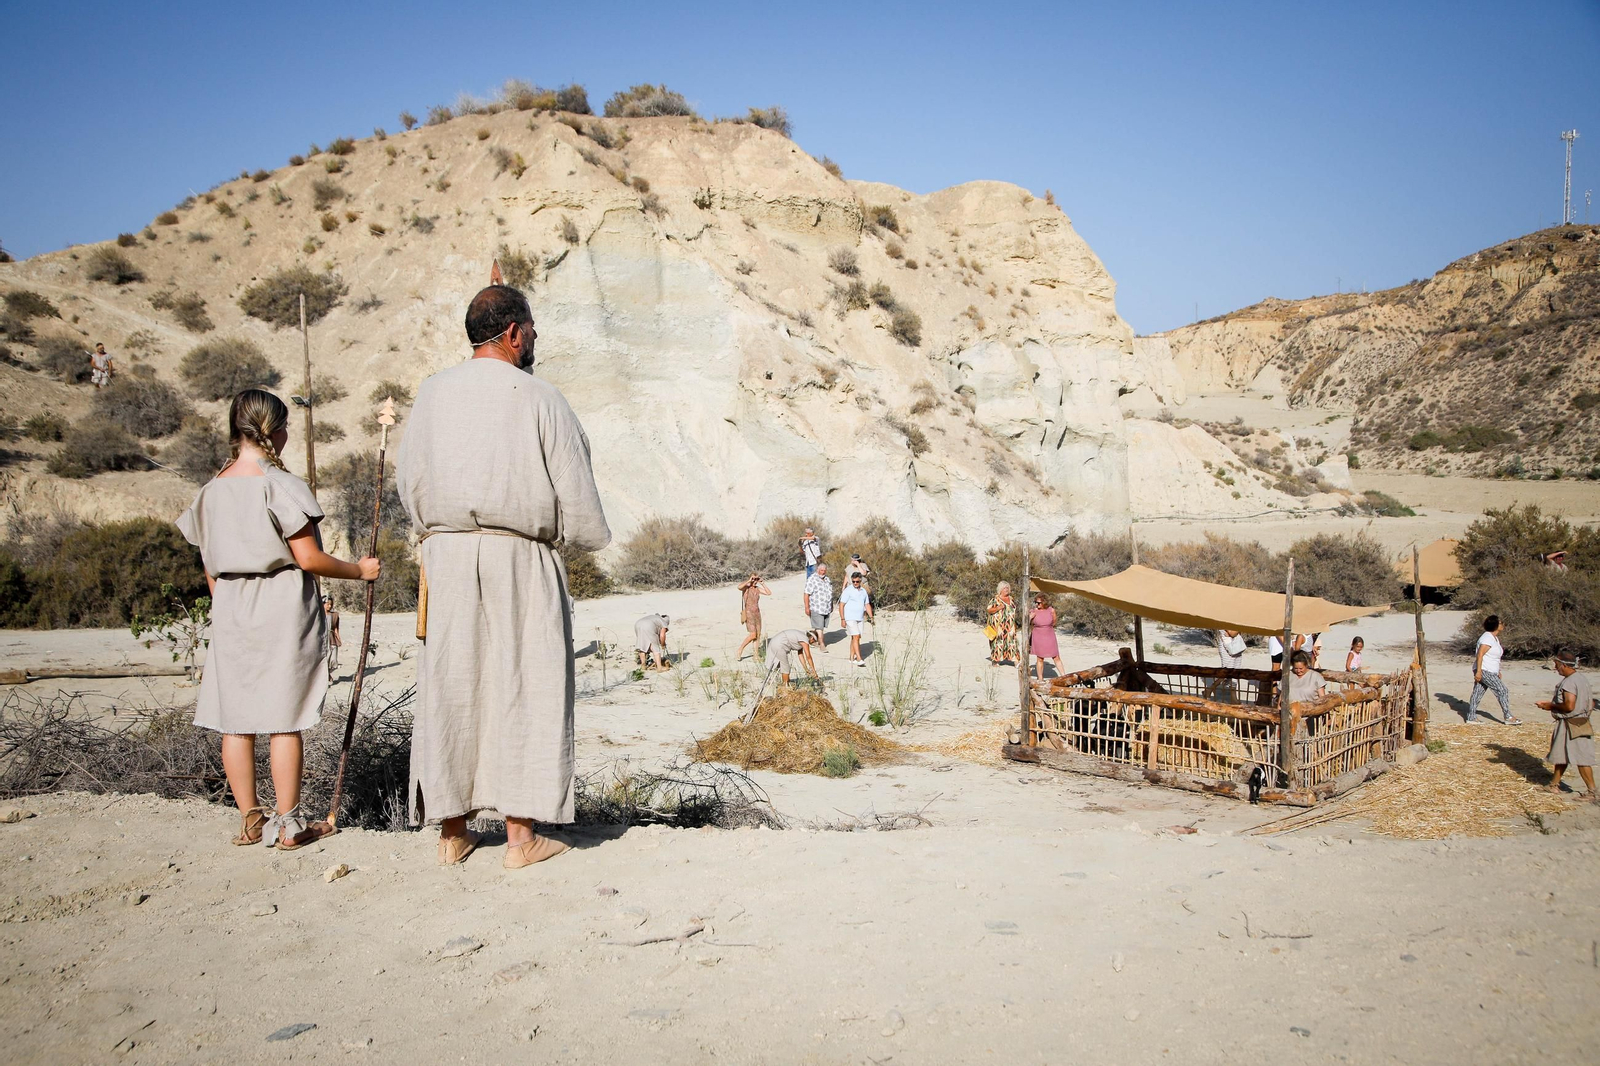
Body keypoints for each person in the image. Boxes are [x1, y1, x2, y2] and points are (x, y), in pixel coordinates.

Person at [396, 283, 610, 869]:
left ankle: (452, 832)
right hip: (520, 555)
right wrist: (574, 540)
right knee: (525, 685)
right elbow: (578, 499)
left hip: (448, 557)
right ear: (514, 332)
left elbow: (409, 481)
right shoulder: (540, 397)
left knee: (453, 685)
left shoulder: (432, 394)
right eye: (532, 327)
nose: (536, 336)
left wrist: (440, 532)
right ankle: (520, 837)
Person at [175, 389, 379, 850]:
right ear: (272, 431)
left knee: (237, 719)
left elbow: (209, 564)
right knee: (284, 717)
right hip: (280, 604)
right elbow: (308, 558)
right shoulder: (279, 484)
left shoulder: (210, 490)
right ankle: (288, 825)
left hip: (229, 604)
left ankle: (250, 819)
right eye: (284, 427)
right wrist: (358, 570)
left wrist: (229, 602)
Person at [1539, 649, 1595, 801]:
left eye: (1557, 664)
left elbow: (1569, 706)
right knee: (1561, 754)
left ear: (1564, 665)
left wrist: (1549, 706)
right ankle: (1554, 785)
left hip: (1571, 723)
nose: (1555, 668)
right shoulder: (1581, 679)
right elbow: (1591, 703)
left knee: (1581, 758)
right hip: (1580, 721)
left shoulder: (1569, 682)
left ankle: (1592, 792)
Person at [1467, 615, 1521, 725]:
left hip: (1490, 670)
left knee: (1478, 692)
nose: (1503, 625)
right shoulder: (1487, 638)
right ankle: (1508, 716)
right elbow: (1480, 655)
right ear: (1495, 625)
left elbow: (1494, 657)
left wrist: (1498, 671)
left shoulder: (1494, 638)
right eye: (1500, 623)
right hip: (1484, 670)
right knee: (1502, 690)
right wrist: (1478, 671)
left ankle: (1471, 716)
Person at [837, 571, 873, 666]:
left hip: (860, 618)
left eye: (857, 581)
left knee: (856, 637)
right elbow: (841, 605)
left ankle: (851, 657)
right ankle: (859, 658)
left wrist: (871, 616)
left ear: (860, 580)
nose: (855, 583)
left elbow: (867, 604)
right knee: (856, 636)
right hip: (850, 617)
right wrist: (842, 619)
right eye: (853, 581)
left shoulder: (863, 591)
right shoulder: (848, 591)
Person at [736, 573, 770, 661]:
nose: (755, 581)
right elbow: (739, 587)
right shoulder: (746, 588)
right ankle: (740, 650)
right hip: (749, 613)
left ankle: (756, 655)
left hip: (757, 613)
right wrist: (749, 581)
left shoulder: (757, 589)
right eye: (754, 579)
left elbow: (768, 593)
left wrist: (762, 583)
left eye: (756, 579)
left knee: (758, 635)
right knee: (753, 634)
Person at [1029, 593, 1063, 680]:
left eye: (1039, 603)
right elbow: (1027, 624)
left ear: (1044, 602)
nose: (1037, 604)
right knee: (1040, 658)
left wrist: (1047, 627)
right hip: (1038, 635)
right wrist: (1030, 617)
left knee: (1056, 656)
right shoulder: (1033, 611)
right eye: (1036, 602)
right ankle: (1040, 678)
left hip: (1049, 634)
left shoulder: (1051, 610)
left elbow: (1054, 622)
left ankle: (1063, 675)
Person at [985, 581, 1018, 666]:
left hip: (1010, 626)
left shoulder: (1011, 599)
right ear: (1000, 590)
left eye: (1007, 588)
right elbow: (989, 610)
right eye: (1004, 588)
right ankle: (995, 660)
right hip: (998, 626)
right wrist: (998, 607)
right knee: (998, 643)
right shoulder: (995, 600)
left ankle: (1015, 661)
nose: (1006, 589)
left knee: (1012, 643)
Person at [804, 562, 833, 652]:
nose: (823, 572)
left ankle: (811, 639)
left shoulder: (827, 579)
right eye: (821, 570)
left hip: (826, 608)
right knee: (819, 628)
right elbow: (806, 594)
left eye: (824, 570)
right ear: (817, 570)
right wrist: (807, 607)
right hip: (816, 607)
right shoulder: (812, 579)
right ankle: (822, 644)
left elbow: (830, 593)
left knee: (820, 627)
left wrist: (831, 605)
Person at [323, 596, 341, 682]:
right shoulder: (319, 615)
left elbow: (336, 628)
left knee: (334, 660)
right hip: (323, 639)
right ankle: (326, 676)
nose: (329, 606)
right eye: (327, 604)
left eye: (331, 604)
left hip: (332, 638)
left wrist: (338, 638)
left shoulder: (335, 615)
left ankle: (327, 673)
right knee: (325, 660)